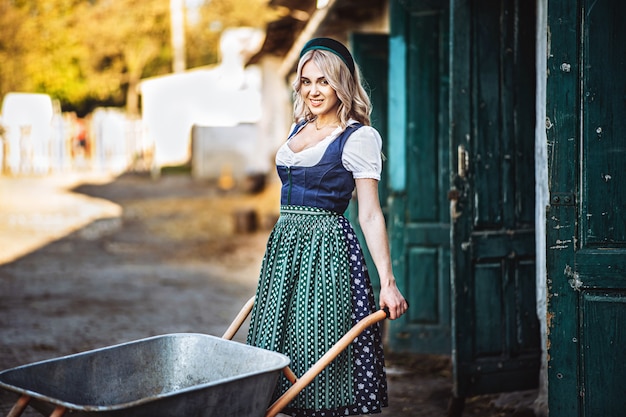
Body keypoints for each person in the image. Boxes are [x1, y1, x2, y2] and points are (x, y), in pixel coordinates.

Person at [246, 37, 408, 417]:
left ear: (342, 83)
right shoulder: (297, 128)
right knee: (276, 347)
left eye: (324, 81)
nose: (314, 90)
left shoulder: (358, 137)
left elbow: (369, 214)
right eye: (307, 81)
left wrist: (387, 281)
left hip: (327, 253)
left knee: (319, 350)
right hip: (285, 253)